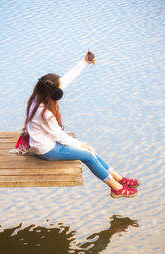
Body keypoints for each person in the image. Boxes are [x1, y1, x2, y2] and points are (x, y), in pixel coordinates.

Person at [24, 50, 140, 198]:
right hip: (47, 150)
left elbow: (67, 79)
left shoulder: (40, 96)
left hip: (49, 142)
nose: (61, 90)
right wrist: (79, 144)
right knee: (88, 155)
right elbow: (59, 136)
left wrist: (84, 62)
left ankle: (118, 178)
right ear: (53, 93)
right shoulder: (45, 113)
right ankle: (116, 187)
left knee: (89, 149)